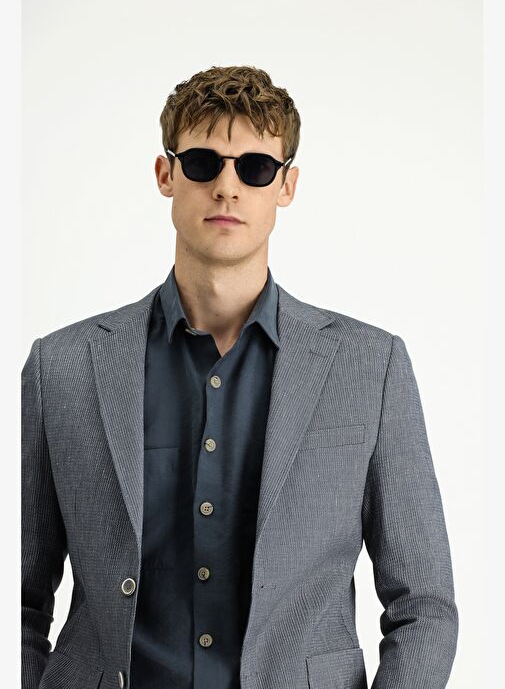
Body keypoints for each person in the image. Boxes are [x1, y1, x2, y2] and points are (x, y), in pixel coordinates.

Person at [21, 65, 458, 689]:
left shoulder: (370, 366)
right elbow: (17, 593)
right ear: (166, 174)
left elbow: (424, 606)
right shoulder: (62, 368)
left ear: (286, 185)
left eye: (254, 168)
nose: (227, 188)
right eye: (203, 163)